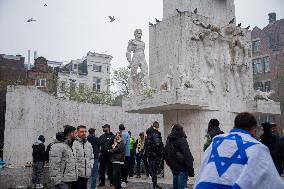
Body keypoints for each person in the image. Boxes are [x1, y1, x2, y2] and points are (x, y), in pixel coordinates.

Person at [194, 112, 284, 189]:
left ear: (235, 125)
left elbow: (202, 170)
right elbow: (273, 182)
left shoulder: (215, 143)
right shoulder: (258, 148)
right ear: (253, 130)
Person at [164, 124, 194, 189]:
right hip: (182, 169)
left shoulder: (169, 140)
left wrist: (171, 165)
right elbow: (187, 155)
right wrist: (191, 171)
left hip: (174, 169)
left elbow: (165, 155)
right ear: (181, 130)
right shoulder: (182, 140)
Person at [145, 121, 164, 189]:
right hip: (155, 155)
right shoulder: (155, 133)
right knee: (154, 170)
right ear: (157, 126)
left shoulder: (148, 133)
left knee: (152, 170)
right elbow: (157, 144)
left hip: (150, 155)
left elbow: (147, 145)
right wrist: (160, 153)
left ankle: (154, 184)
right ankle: (155, 185)